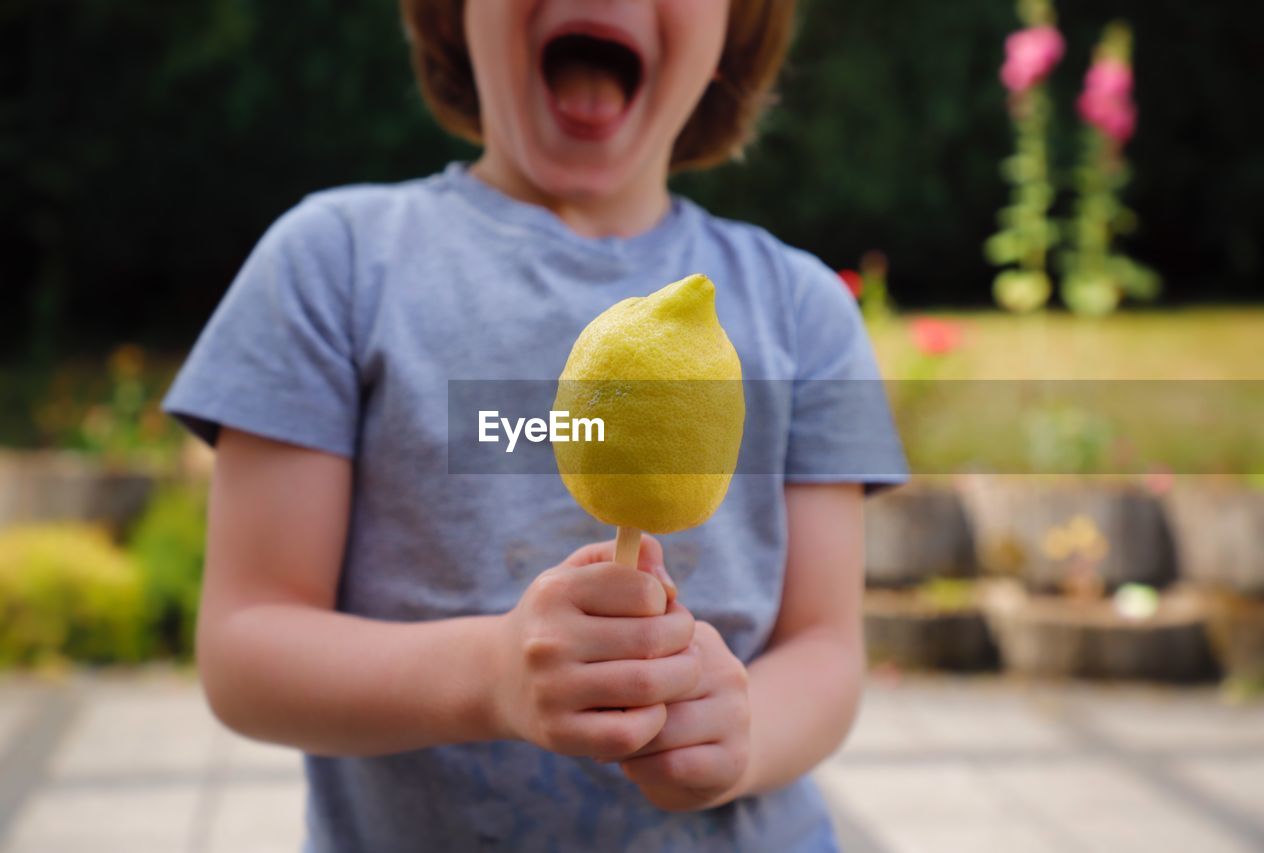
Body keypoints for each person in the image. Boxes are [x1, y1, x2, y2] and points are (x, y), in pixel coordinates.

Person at [164, 0, 907, 849]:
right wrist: (488, 677)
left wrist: (738, 739)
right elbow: (246, 649)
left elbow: (826, 648)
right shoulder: (330, 267)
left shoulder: (806, 311)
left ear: (733, 30)